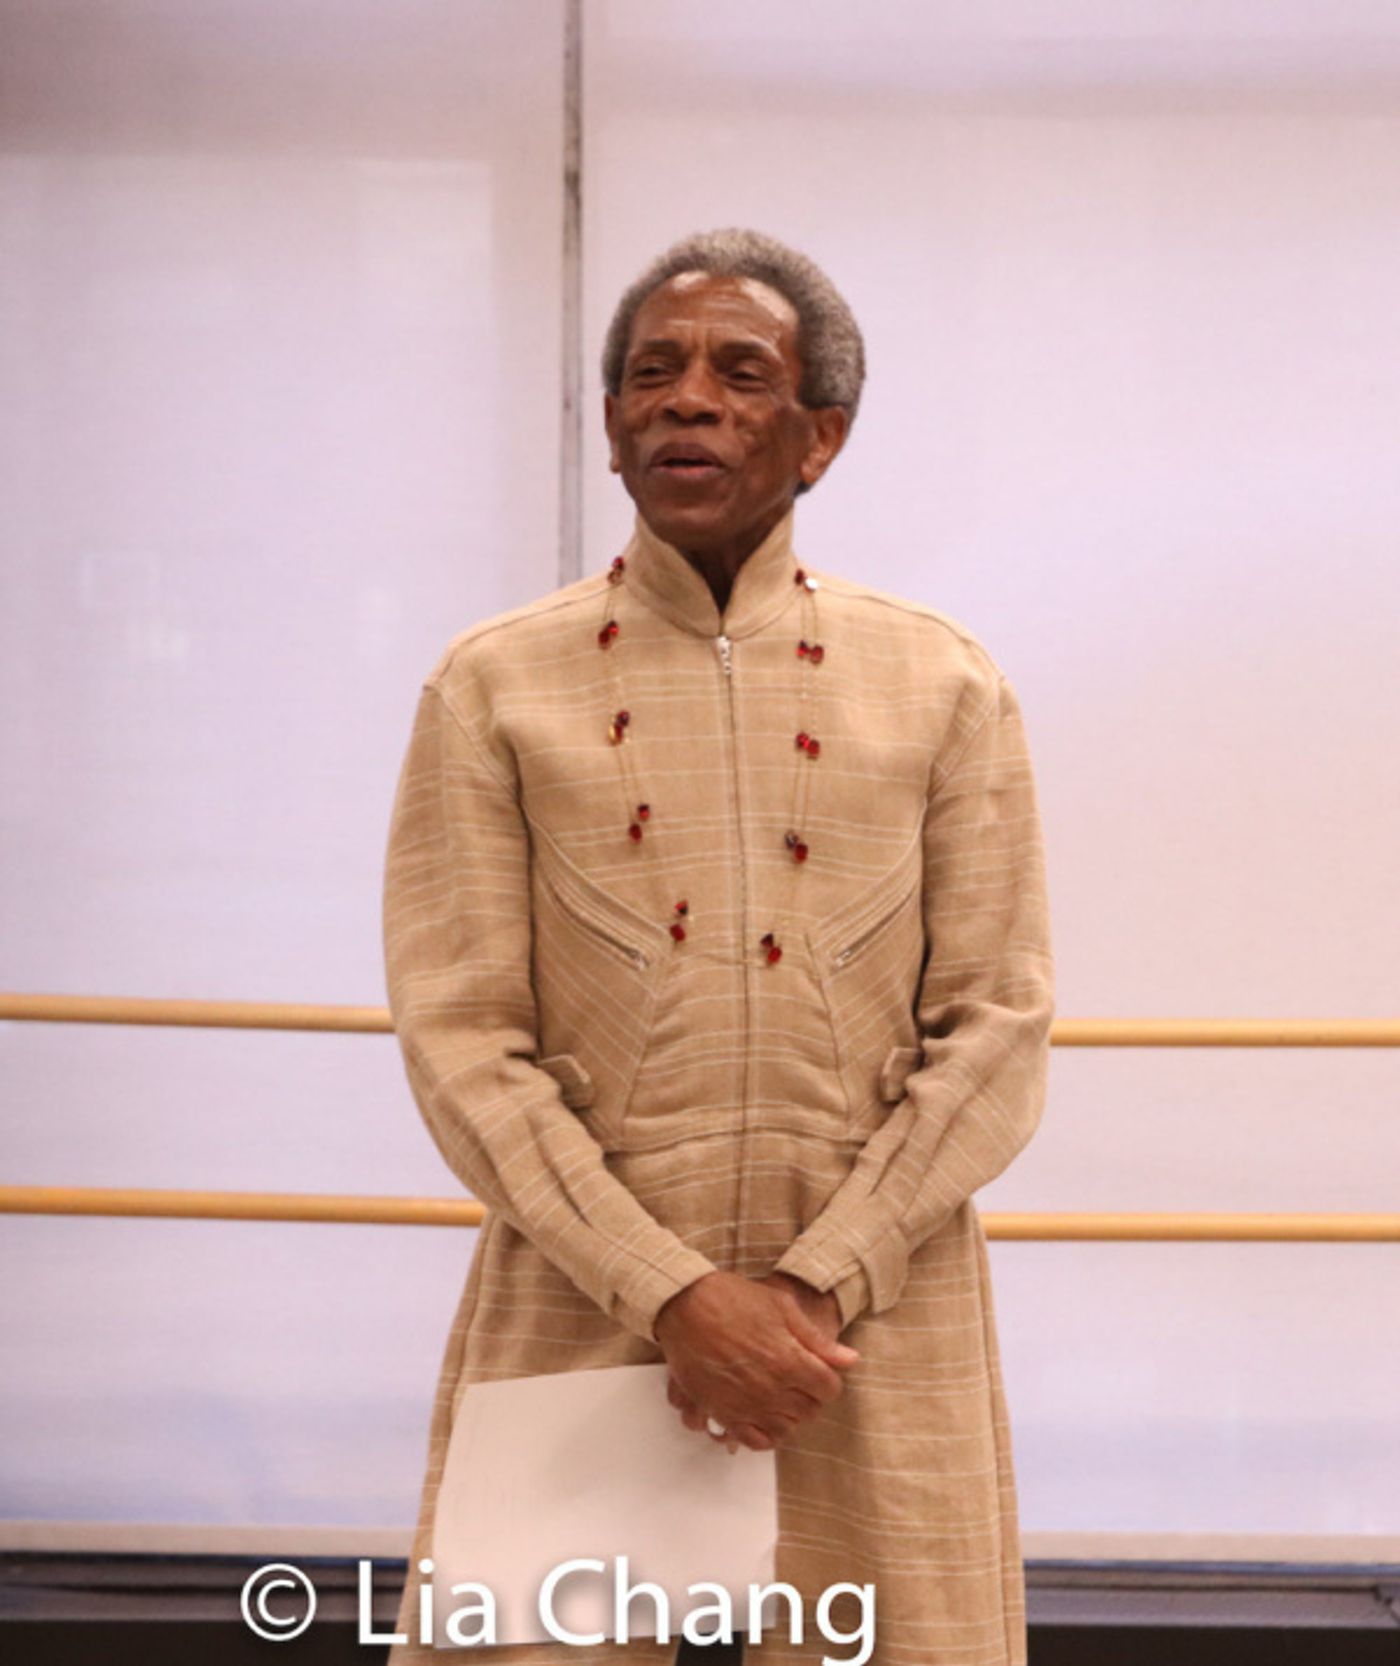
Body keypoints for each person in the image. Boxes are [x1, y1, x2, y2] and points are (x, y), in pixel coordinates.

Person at [381, 227, 1055, 1665]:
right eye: (651, 372)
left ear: (821, 436)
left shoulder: (942, 681)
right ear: (613, 429)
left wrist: (809, 1293)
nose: (687, 398)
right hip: (584, 1291)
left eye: (740, 372)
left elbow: (999, 1029)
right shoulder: (495, 683)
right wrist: (675, 1293)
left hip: (867, 1330)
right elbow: (462, 1040)